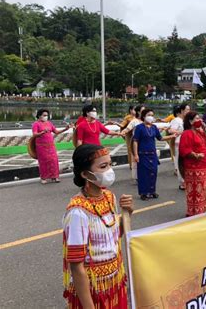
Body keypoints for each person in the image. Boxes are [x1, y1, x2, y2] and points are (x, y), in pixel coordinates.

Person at [63, 144, 133, 309]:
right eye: (103, 166)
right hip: (93, 290)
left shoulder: (109, 197)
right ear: (85, 174)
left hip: (115, 282)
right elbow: (76, 265)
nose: (109, 170)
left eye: (110, 164)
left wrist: (128, 212)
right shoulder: (77, 212)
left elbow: (114, 235)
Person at [133, 109, 175, 200]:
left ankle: (152, 191)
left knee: (153, 173)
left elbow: (160, 138)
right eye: (149, 115)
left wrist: (172, 136)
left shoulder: (154, 127)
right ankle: (143, 193)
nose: (151, 117)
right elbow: (135, 141)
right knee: (143, 174)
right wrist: (136, 154)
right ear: (144, 116)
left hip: (152, 154)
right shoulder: (139, 127)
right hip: (143, 154)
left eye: (152, 115)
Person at [179, 111, 206, 216]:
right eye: (197, 119)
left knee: (205, 190)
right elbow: (184, 150)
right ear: (190, 121)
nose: (200, 120)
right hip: (193, 168)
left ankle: (200, 211)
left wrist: (205, 130)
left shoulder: (200, 132)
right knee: (195, 192)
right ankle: (194, 213)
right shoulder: (186, 133)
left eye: (200, 118)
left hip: (203, 166)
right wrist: (196, 155)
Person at [32, 109, 70, 184]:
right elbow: (34, 134)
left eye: (47, 115)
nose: (46, 117)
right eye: (44, 115)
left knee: (54, 160)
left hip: (51, 146)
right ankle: (44, 178)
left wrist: (65, 129)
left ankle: (55, 177)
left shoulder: (49, 123)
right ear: (39, 116)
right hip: (41, 147)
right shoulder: (36, 124)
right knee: (43, 162)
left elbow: (56, 132)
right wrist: (42, 132)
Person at [121, 105, 144, 183]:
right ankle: (137, 177)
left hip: (145, 143)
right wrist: (123, 132)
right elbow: (128, 128)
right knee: (136, 159)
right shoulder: (134, 121)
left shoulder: (146, 121)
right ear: (138, 112)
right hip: (136, 142)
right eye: (143, 110)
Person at [168, 105, 186, 190]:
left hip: (187, 143)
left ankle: (186, 181)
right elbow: (171, 130)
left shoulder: (185, 120)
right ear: (181, 111)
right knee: (180, 163)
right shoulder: (177, 120)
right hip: (179, 143)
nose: (188, 111)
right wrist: (180, 132)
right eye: (187, 109)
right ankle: (182, 182)